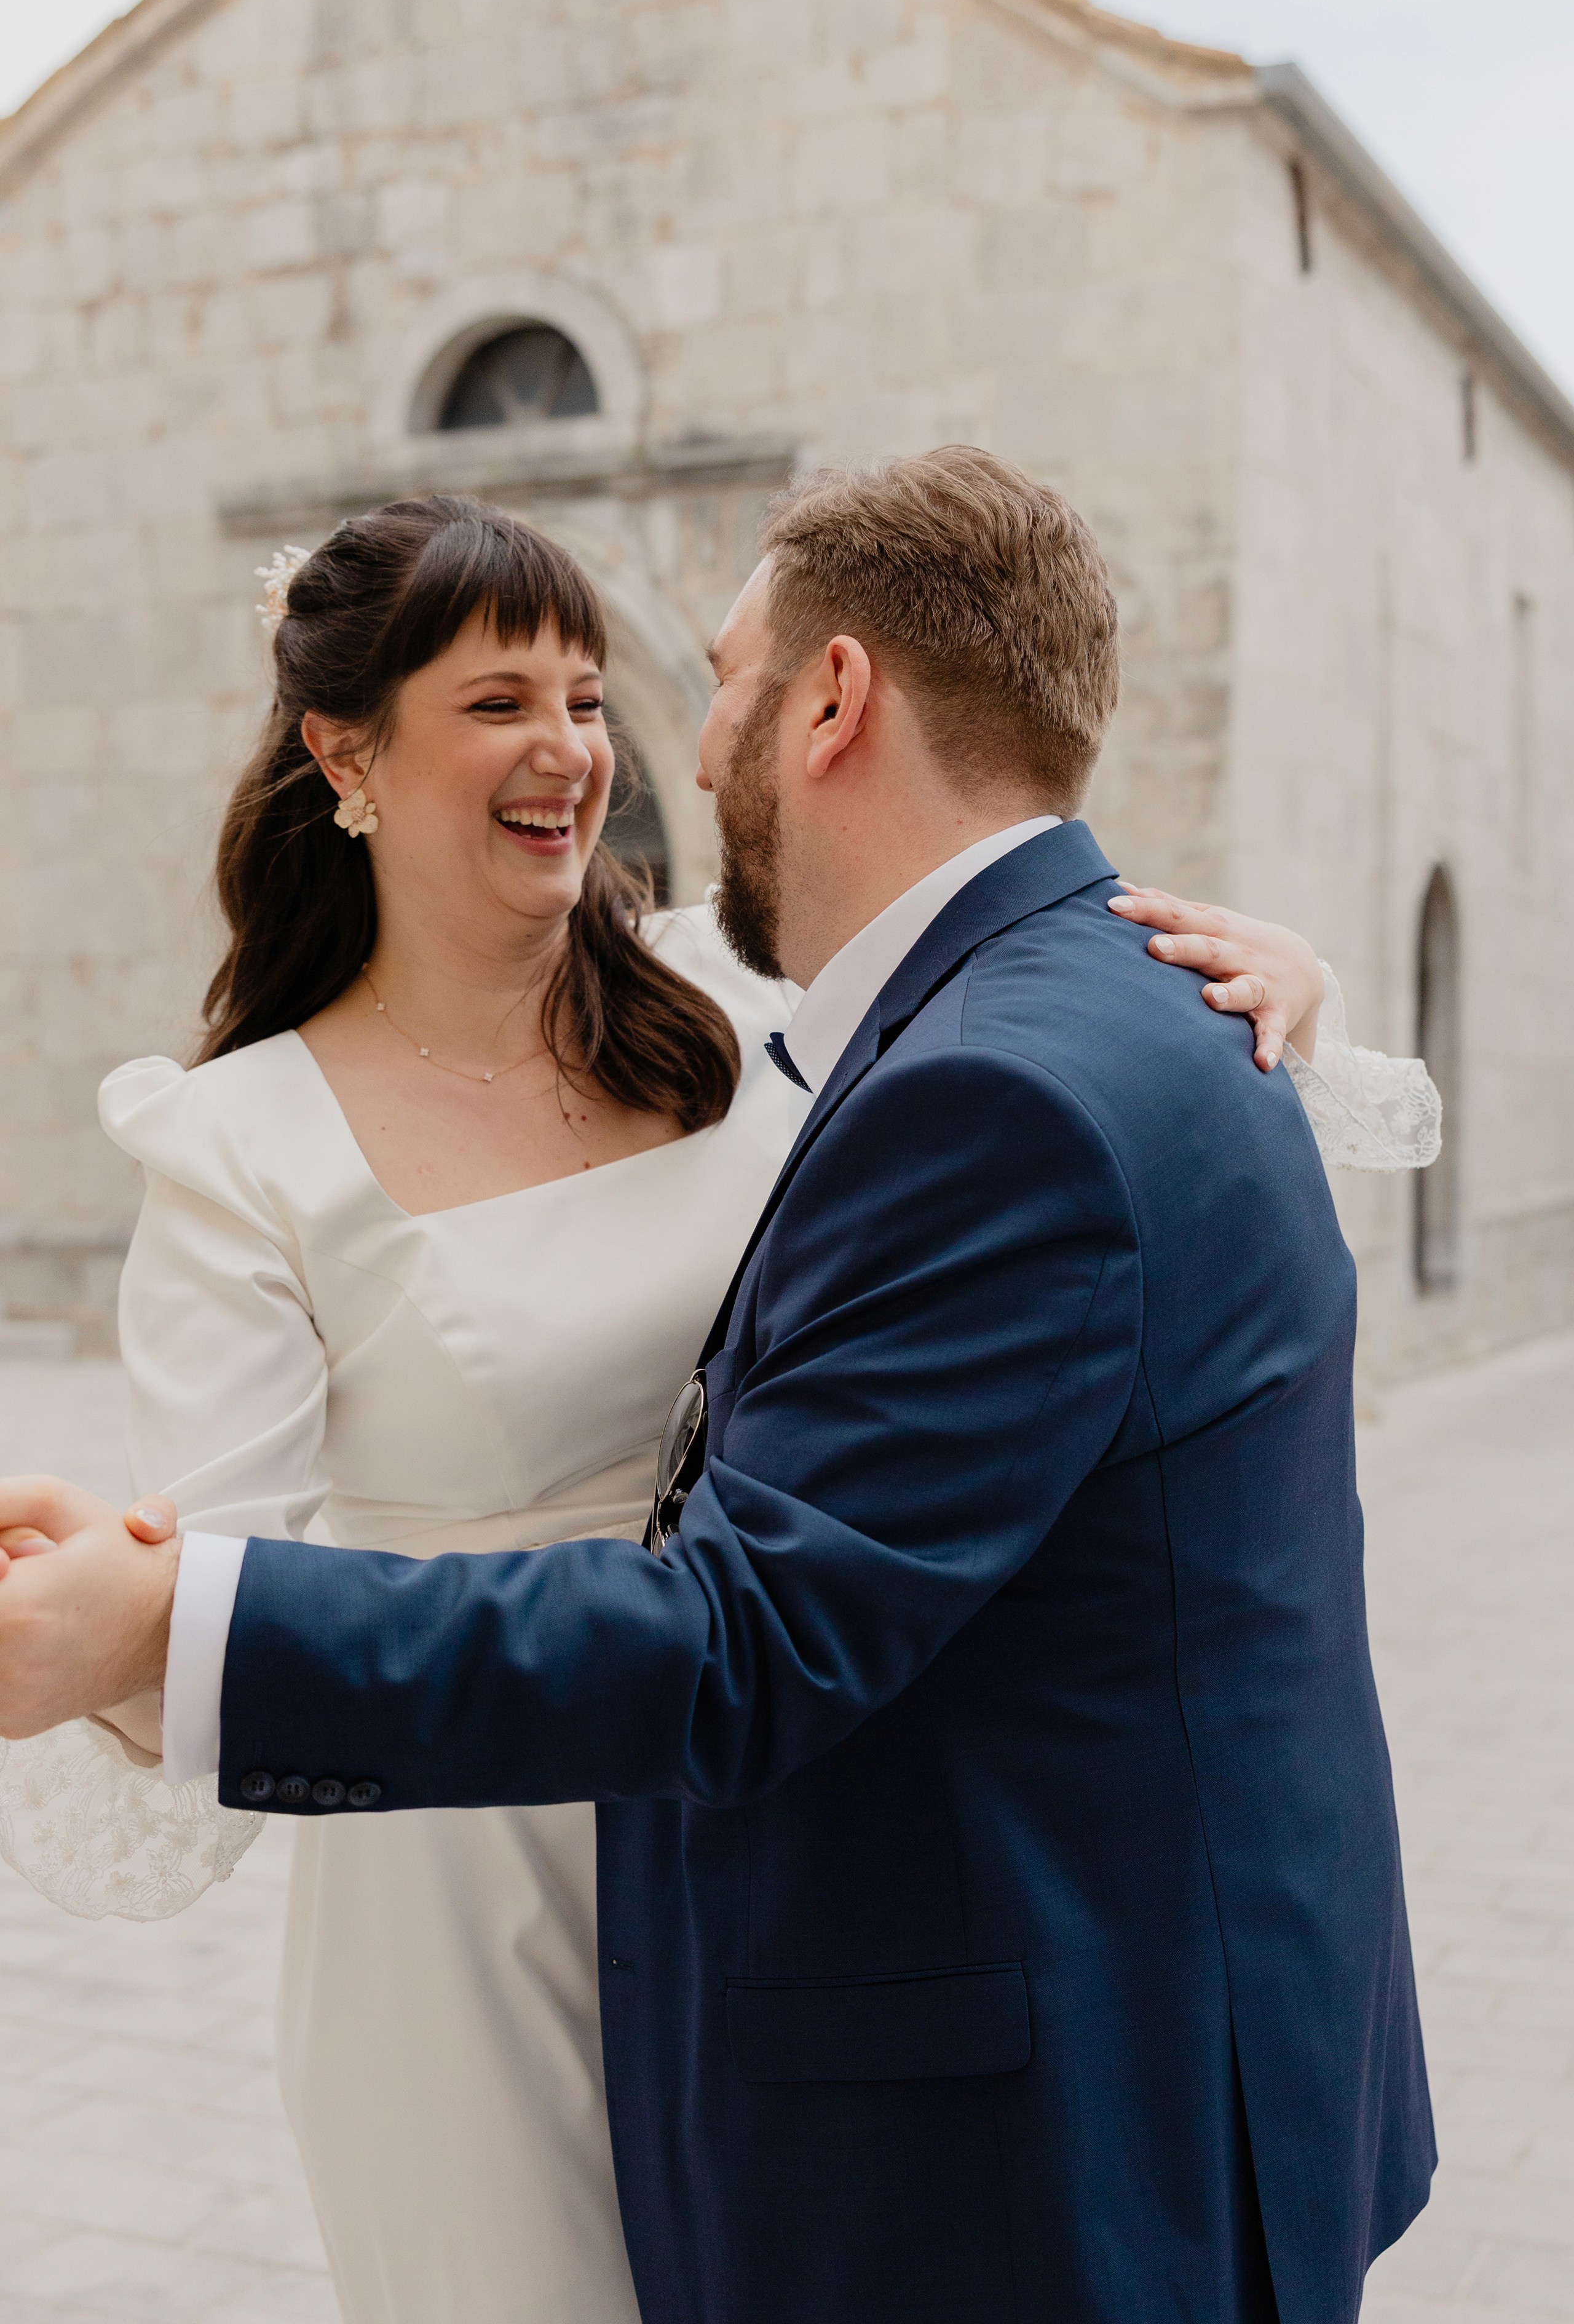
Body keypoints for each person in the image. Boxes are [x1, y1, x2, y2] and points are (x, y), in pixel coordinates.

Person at [0, 459, 1438, 2324]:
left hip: (773, 1805)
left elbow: (1011, 1026)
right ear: (343, 758)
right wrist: (118, 1636)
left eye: (595, 692)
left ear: (827, 703)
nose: (592, 748)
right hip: (472, 1866)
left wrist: (1274, 981)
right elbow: (217, 1571)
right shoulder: (237, 1139)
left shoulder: (739, 1000)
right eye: (500, 699)